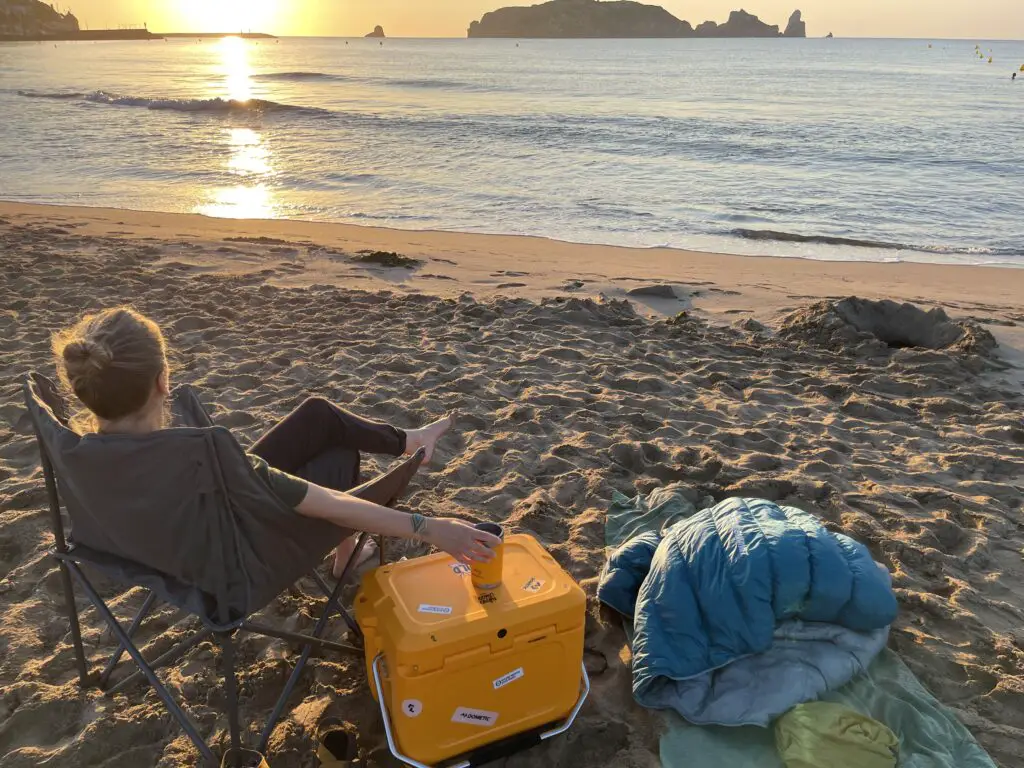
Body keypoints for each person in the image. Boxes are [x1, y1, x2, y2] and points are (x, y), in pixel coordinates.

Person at [51, 307, 499, 577]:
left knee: (318, 416)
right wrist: (431, 528)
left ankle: (409, 440)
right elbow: (329, 504)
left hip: (177, 537)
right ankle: (347, 558)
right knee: (341, 454)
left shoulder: (77, 451)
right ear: (163, 381)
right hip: (236, 556)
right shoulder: (199, 453)